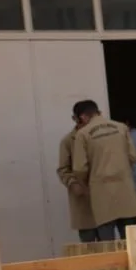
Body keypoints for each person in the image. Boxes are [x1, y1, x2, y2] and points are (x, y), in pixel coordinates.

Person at [72, 102, 136, 240]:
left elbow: (79, 168)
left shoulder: (83, 134)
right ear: (98, 112)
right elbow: (133, 156)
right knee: (130, 238)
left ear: (83, 117)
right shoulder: (121, 127)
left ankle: (112, 262)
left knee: (107, 239)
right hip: (125, 188)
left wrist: (86, 184)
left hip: (100, 190)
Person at [58, 102, 99, 242]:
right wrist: (73, 183)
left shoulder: (101, 136)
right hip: (83, 199)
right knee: (88, 244)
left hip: (104, 197)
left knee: (109, 244)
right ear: (75, 119)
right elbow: (63, 169)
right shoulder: (68, 141)